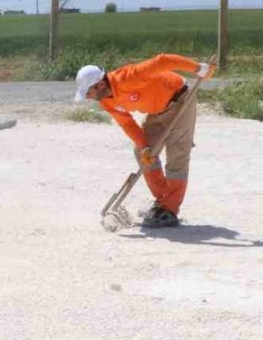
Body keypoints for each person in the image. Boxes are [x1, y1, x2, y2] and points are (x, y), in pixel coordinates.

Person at [74, 54, 213, 228]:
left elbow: (163, 61)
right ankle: (162, 200)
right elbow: (127, 123)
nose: (87, 97)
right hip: (157, 110)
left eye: (88, 92)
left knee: (177, 157)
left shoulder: (129, 77)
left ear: (100, 84)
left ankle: (169, 211)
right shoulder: (106, 102)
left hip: (180, 100)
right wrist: (145, 146)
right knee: (143, 153)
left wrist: (198, 68)